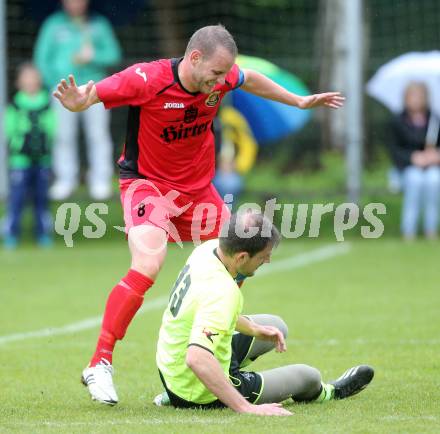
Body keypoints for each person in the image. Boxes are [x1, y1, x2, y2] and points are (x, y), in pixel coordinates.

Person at [53, 24, 345, 405]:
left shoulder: (220, 78)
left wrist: (298, 100)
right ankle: (100, 362)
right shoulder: (147, 79)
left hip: (198, 192)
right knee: (149, 262)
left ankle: (204, 366)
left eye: (226, 74)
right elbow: (92, 93)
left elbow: (250, 79)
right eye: (217, 73)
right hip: (148, 186)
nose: (222, 81)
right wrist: (80, 101)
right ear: (194, 58)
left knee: (238, 260)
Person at [154, 211, 374, 415]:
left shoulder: (208, 250)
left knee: (276, 326)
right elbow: (197, 358)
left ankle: (175, 392)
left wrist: (253, 329)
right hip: (196, 389)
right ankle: (328, 392)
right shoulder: (222, 292)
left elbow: (203, 312)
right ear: (241, 257)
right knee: (308, 376)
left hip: (172, 367)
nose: (267, 261)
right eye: (263, 256)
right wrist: (245, 407)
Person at [34, 0, 121, 200]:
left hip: (94, 88)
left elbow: (114, 54)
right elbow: (41, 58)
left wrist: (93, 56)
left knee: (97, 135)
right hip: (62, 89)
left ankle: (100, 180)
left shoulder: (99, 24)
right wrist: (53, 84)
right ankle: (65, 180)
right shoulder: (53, 24)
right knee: (63, 136)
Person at [2, 63, 56, 249]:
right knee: (16, 199)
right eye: (27, 78)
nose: (30, 82)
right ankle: (11, 234)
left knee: (41, 199)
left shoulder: (47, 103)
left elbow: (52, 128)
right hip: (20, 161)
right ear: (19, 82)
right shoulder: (15, 105)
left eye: (34, 78)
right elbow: (8, 130)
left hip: (42, 161)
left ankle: (43, 234)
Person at [389, 82, 440, 240]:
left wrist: (435, 156)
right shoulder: (397, 121)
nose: (416, 100)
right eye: (413, 96)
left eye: (420, 96)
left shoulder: (435, 120)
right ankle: (408, 230)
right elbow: (394, 151)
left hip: (431, 168)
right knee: (415, 180)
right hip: (407, 168)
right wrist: (413, 157)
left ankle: (431, 230)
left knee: (434, 181)